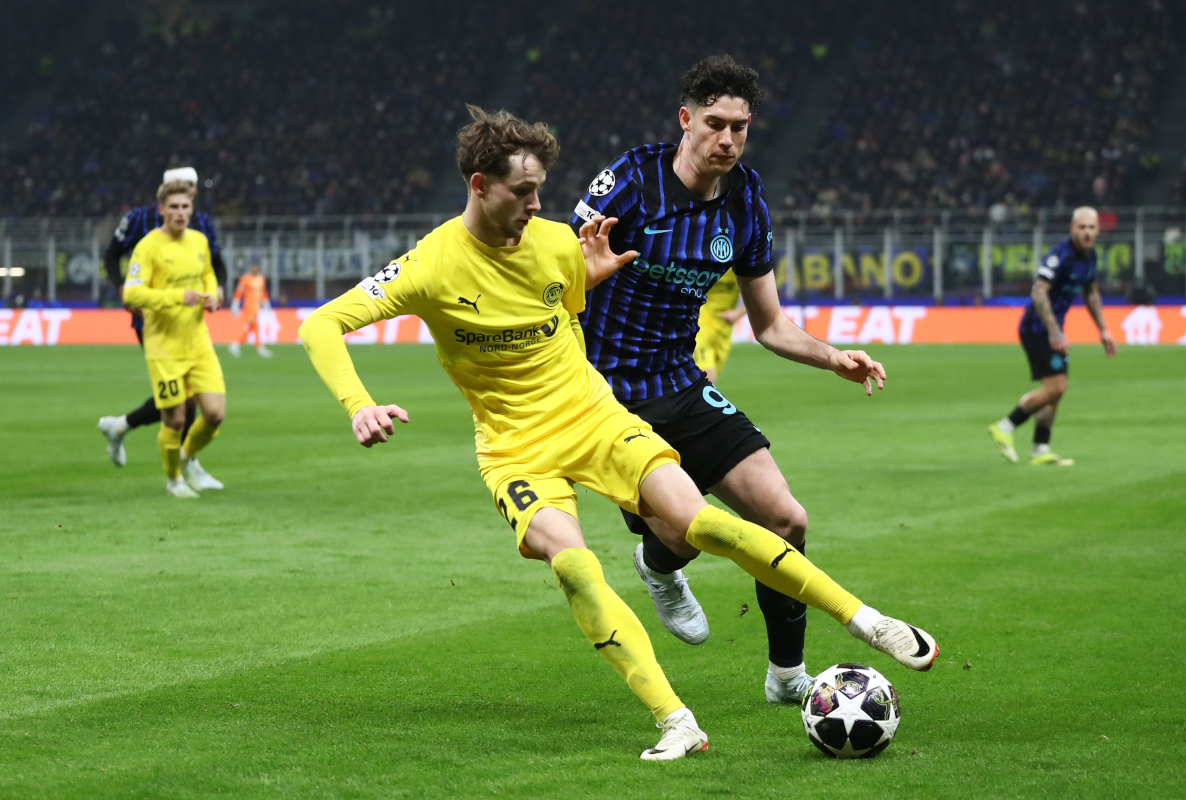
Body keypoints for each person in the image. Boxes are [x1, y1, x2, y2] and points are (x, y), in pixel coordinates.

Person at [299, 106, 937, 761]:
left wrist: (589, 277)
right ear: (479, 185)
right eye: (523, 192)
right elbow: (320, 325)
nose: (537, 204)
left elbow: (566, 310)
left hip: (596, 419)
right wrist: (359, 405)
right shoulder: (431, 264)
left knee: (702, 523)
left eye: (540, 190)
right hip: (514, 450)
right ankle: (676, 721)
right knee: (574, 567)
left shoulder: (554, 243)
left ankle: (871, 622)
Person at [570, 55, 895, 704]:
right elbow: (549, 283)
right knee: (684, 531)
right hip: (606, 398)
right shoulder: (630, 182)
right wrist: (581, 275)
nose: (727, 139)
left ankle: (786, 677)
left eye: (739, 128)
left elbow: (770, 324)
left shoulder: (745, 199)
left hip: (681, 382)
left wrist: (833, 356)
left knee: (787, 521)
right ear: (685, 120)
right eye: (714, 124)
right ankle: (660, 567)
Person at [97, 166, 226, 491]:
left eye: (188, 202)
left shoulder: (200, 232)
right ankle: (176, 476)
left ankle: (181, 457)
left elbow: (212, 267)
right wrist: (170, 297)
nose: (183, 209)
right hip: (158, 334)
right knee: (177, 411)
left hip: (196, 337)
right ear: (162, 206)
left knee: (208, 410)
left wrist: (216, 293)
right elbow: (117, 264)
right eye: (176, 203)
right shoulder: (142, 229)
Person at [988, 206, 1117, 465]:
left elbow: (1090, 292)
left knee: (1057, 390)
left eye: (1092, 228)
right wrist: (1054, 331)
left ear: (1098, 231)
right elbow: (1039, 291)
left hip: (1052, 329)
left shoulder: (1089, 257)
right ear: (1072, 229)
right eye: (1082, 227)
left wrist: (1103, 329)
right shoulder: (1061, 255)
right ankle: (1005, 426)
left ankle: (1040, 449)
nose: (1087, 233)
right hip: (1037, 328)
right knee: (1056, 386)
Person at [693, 269, 746, 384]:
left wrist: (737, 313)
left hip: (724, 329)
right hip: (700, 326)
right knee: (707, 381)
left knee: (707, 382)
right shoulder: (706, 260)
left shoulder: (739, 264)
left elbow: (759, 292)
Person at [229, 261, 272, 357]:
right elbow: (239, 292)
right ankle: (239, 345)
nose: (255, 268)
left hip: (257, 307)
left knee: (253, 326)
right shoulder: (245, 279)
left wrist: (266, 303)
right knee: (252, 325)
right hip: (249, 307)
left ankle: (240, 345)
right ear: (251, 267)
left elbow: (263, 293)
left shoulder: (261, 278)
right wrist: (235, 305)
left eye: (257, 267)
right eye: (253, 266)